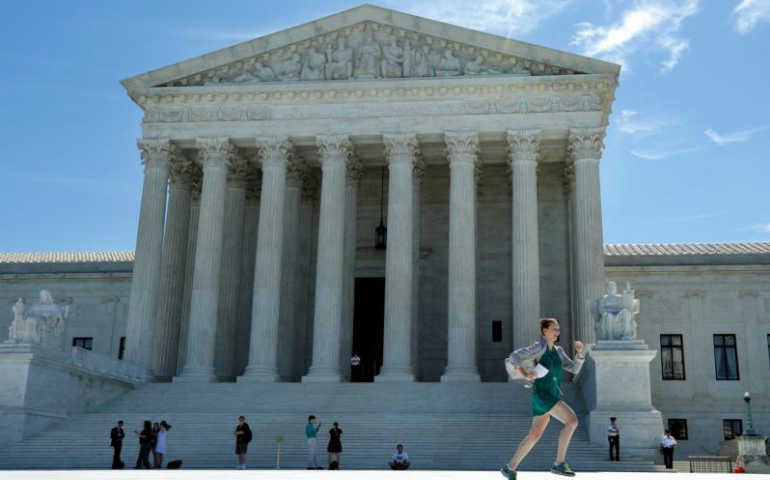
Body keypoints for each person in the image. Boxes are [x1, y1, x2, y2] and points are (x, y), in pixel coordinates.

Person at [501, 318, 585, 479]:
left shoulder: (559, 351)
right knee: (572, 421)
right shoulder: (539, 347)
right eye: (554, 329)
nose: (557, 332)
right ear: (545, 331)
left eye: (558, 330)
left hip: (550, 394)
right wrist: (525, 374)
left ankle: (509, 468)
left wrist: (580, 354)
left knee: (534, 435)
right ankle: (559, 463)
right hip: (543, 394)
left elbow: (574, 369)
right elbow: (514, 356)